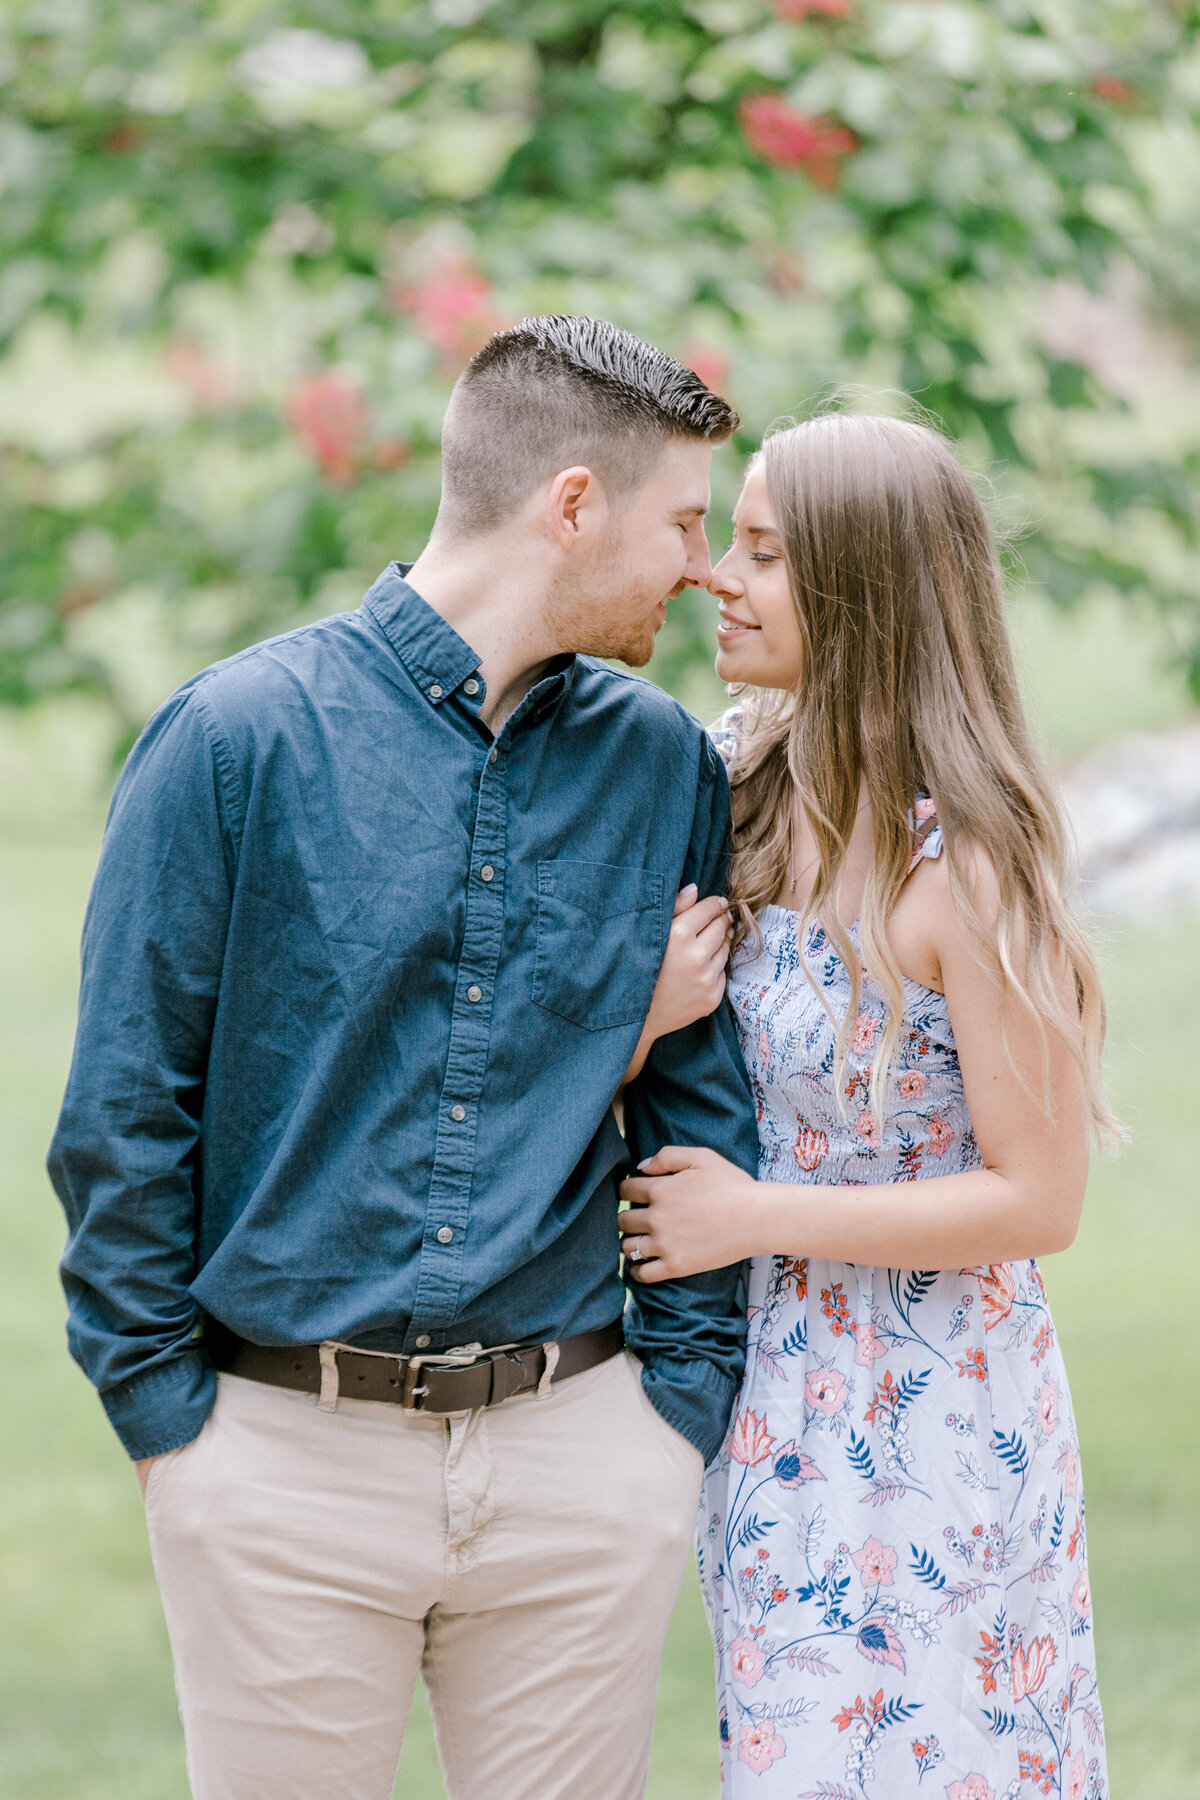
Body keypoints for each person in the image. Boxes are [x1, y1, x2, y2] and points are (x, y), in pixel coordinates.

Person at [47, 314, 761, 1800]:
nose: (703, 565)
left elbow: (704, 1123)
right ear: (573, 504)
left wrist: (666, 1423)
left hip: (583, 1458)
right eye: (685, 521)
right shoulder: (234, 741)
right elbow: (125, 1117)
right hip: (276, 1469)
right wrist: (178, 1443)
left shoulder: (664, 765)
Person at [619, 412, 1112, 1799]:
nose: (719, 574)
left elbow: (1040, 1198)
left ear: (862, 590)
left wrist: (752, 1214)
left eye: (764, 554)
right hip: (775, 1394)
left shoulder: (969, 873)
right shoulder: (744, 789)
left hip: (941, 1409)